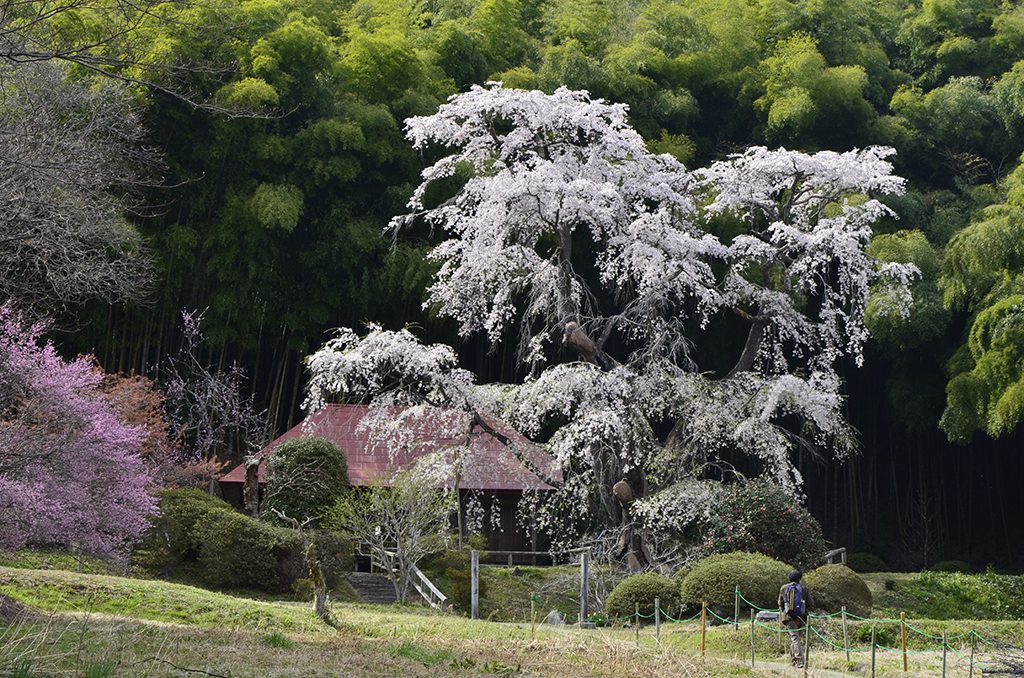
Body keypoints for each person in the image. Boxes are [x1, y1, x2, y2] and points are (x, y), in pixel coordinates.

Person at [778, 569, 813, 668]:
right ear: (799, 579)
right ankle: (797, 661)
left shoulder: (784, 588)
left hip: (788, 617)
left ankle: (797, 661)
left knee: (794, 639)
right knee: (796, 639)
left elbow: (780, 603)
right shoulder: (804, 589)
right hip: (801, 618)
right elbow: (810, 604)